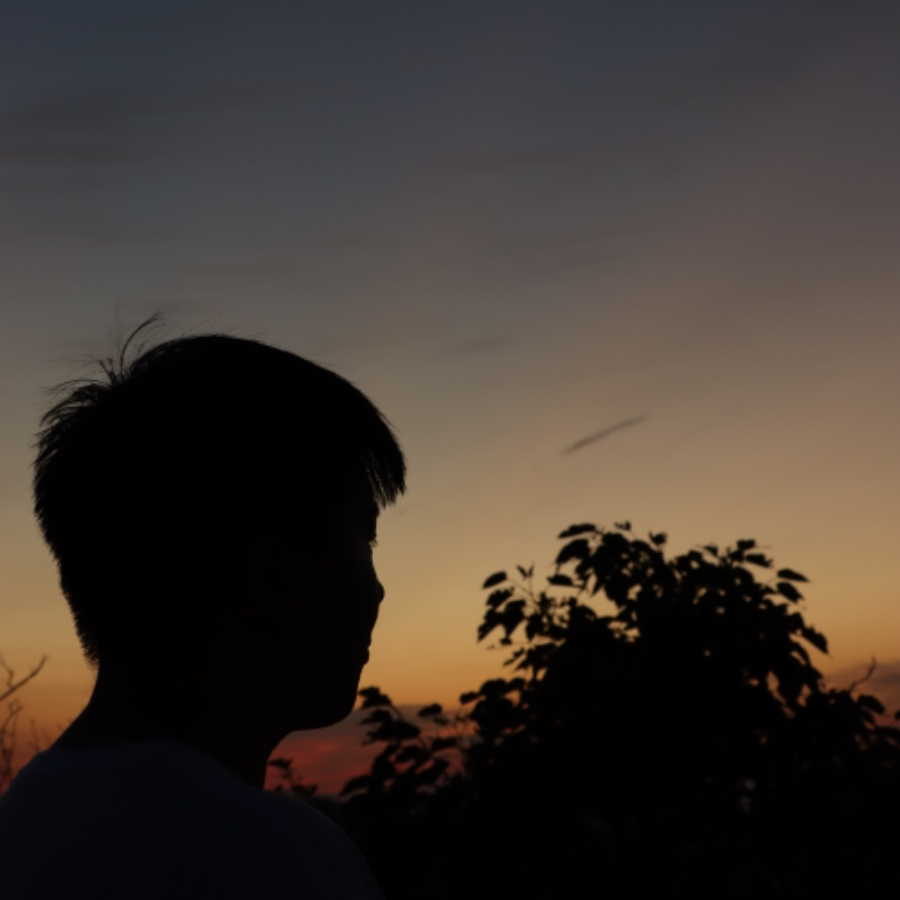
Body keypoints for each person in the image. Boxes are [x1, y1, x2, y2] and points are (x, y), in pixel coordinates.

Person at [0, 322, 405, 898]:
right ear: (276, 578)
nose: (377, 591)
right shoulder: (272, 860)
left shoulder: (22, 829)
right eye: (365, 539)